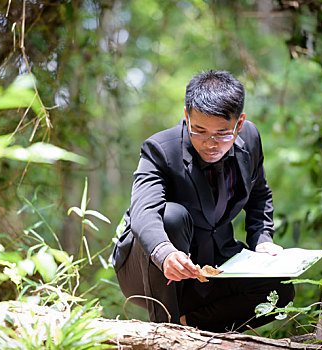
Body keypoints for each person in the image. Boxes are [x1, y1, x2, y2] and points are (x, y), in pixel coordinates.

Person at [112, 70, 295, 332]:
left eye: (222, 133)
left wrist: (262, 241)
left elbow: (259, 195)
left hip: (213, 263)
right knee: (171, 217)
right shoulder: (160, 149)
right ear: (186, 117)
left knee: (281, 290)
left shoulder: (251, 139)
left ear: (239, 124)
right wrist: (165, 253)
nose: (210, 143)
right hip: (151, 267)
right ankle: (164, 330)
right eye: (199, 130)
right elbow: (144, 213)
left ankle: (189, 328)